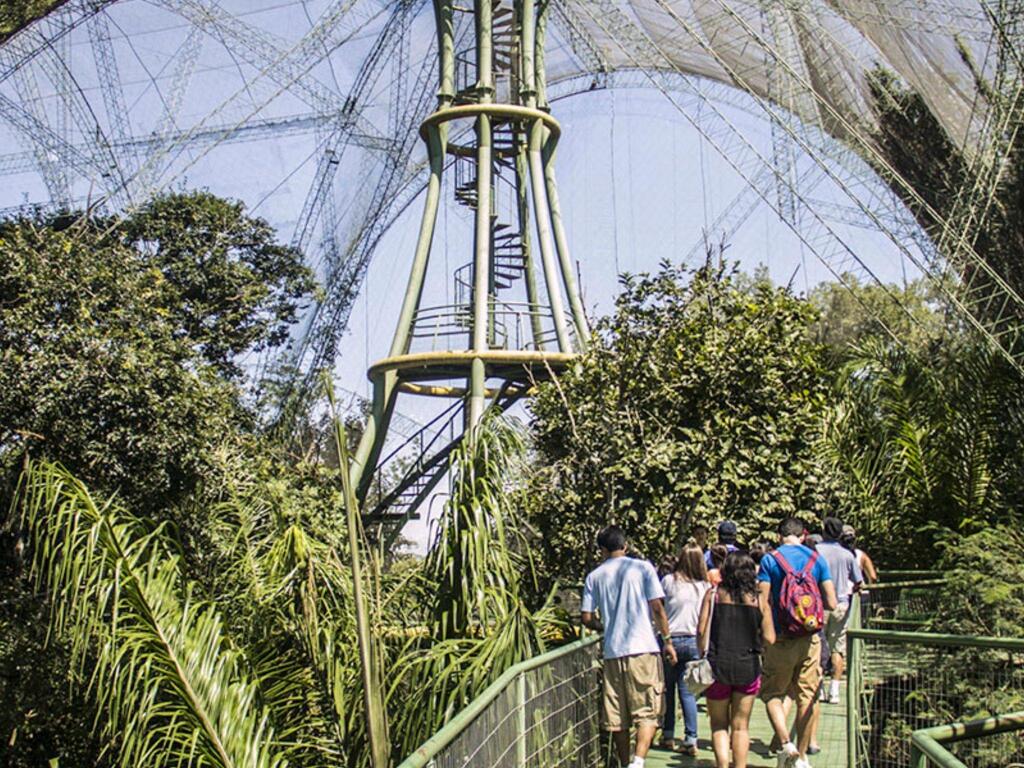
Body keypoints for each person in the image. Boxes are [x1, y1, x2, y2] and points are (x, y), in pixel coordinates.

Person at [581, 525, 677, 768]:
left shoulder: (594, 577)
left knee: (617, 716)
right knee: (649, 710)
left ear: (602, 550)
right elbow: (657, 607)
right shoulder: (642, 568)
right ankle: (639, 760)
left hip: (613, 651)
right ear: (625, 546)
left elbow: (586, 618)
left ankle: (626, 763)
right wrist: (667, 641)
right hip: (643, 648)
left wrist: (605, 627)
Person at [758, 517, 838, 768]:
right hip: (810, 638)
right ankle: (802, 757)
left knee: (772, 693)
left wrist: (768, 635)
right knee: (808, 696)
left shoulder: (770, 560)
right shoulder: (816, 560)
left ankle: (785, 744)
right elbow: (832, 603)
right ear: (803, 535)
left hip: (780, 639)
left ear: (779, 535)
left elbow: (763, 601)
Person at [698, 551, 776, 768]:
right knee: (741, 726)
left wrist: (701, 652)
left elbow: (701, 630)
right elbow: (770, 637)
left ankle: (723, 765)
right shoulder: (759, 598)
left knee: (719, 725)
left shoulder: (713, 595)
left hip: (717, 665)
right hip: (748, 665)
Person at [659, 541, 711, 756]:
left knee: (668, 689)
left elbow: (659, 610)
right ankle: (691, 738)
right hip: (693, 641)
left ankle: (668, 734)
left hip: (670, 640)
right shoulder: (704, 587)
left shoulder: (668, 582)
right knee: (687, 692)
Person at [816, 518, 863, 705]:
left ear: (824, 531)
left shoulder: (815, 552)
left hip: (819, 605)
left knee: (817, 647)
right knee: (838, 647)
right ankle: (834, 690)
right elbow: (858, 581)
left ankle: (819, 689)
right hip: (841, 605)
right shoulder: (847, 555)